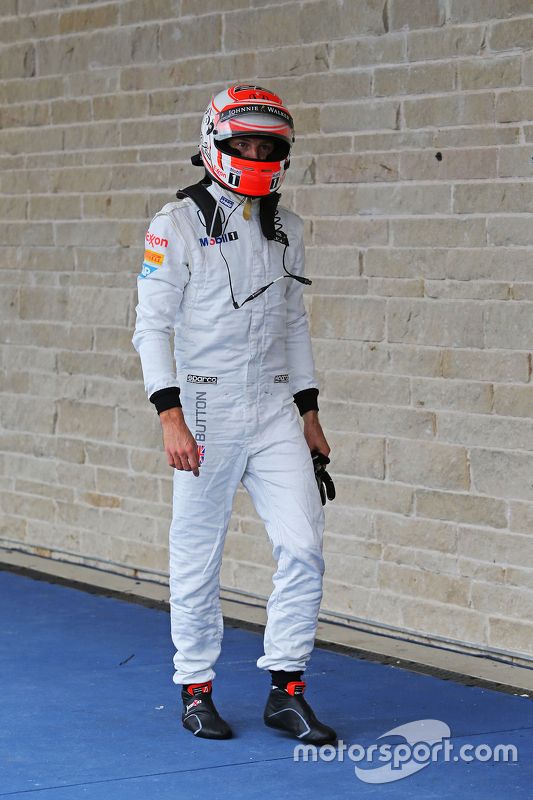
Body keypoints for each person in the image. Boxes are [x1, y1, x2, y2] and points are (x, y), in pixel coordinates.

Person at [132, 84, 336, 743]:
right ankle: (196, 690)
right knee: (198, 552)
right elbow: (150, 326)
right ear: (214, 143)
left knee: (303, 546)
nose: (253, 152)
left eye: (265, 145)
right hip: (205, 404)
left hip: (276, 405)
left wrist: (308, 411)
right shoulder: (177, 223)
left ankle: (287, 687)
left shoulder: (287, 227)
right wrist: (169, 413)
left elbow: (293, 325)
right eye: (242, 142)